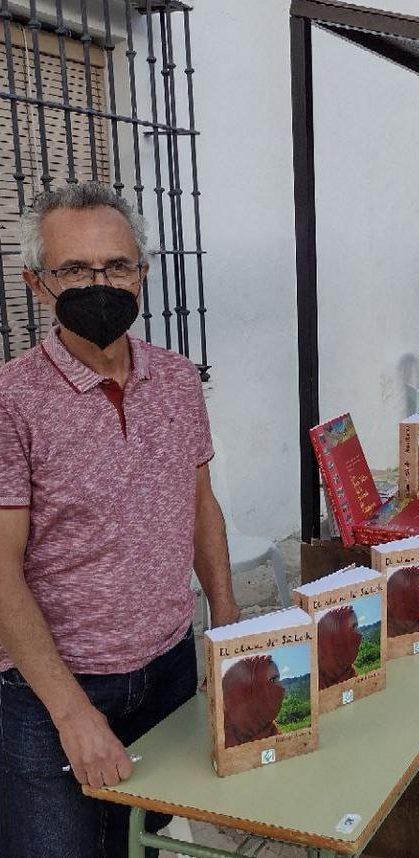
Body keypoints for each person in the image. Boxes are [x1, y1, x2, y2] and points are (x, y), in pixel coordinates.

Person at [0, 182, 239, 858]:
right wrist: (72, 713)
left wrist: (225, 620)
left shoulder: (177, 379)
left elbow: (201, 504)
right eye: (74, 269)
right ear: (37, 284)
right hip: (47, 691)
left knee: (142, 845)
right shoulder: (11, 400)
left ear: (143, 272)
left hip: (167, 668)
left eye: (116, 266)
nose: (98, 283)